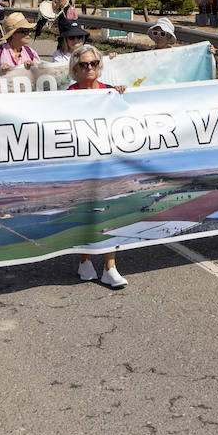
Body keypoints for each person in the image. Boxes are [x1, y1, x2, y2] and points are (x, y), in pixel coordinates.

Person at [67, 43, 128, 289]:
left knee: (109, 210)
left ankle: (110, 267)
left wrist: (124, 94)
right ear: (76, 68)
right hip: (81, 164)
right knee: (85, 213)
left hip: (107, 164)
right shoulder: (66, 96)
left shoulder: (110, 92)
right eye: (84, 64)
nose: (90, 68)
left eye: (94, 64)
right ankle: (84, 261)